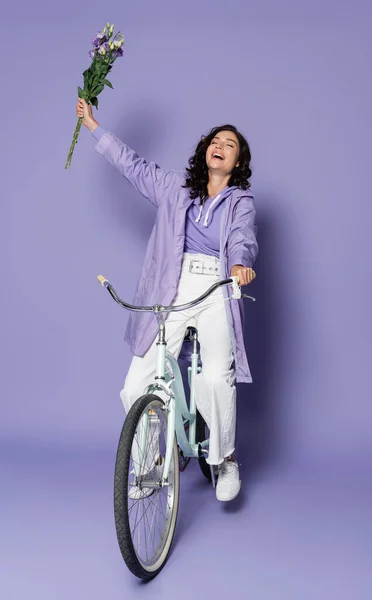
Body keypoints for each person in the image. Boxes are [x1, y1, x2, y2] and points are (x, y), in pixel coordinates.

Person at [76, 98, 258, 502]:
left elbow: (243, 237)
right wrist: (93, 125)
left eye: (230, 144)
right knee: (138, 382)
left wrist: (240, 265)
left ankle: (224, 458)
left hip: (216, 288)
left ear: (237, 162)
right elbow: (133, 165)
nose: (219, 145)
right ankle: (152, 460)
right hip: (170, 288)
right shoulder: (174, 187)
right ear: (205, 150)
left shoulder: (240, 202)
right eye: (215, 139)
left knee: (214, 377)